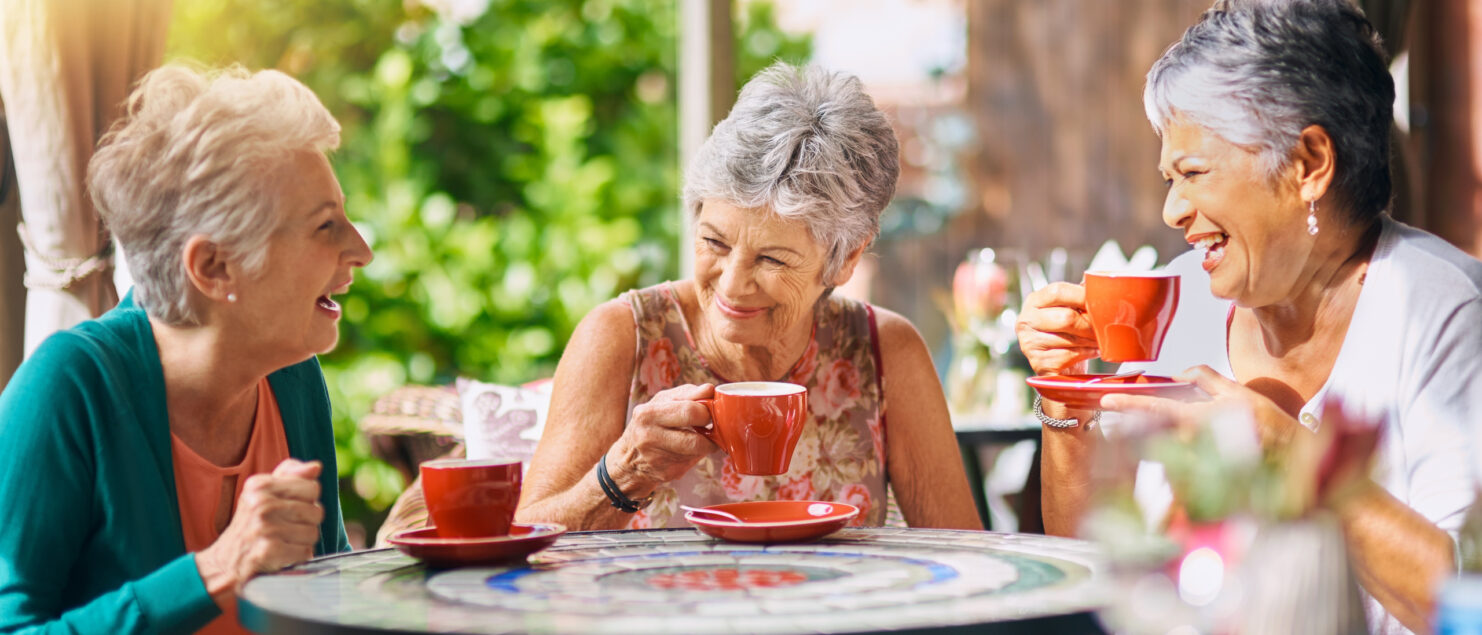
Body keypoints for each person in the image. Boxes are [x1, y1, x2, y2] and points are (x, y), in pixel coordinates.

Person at [1016, 1, 1482, 632]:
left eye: (1194, 173)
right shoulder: (1176, 299)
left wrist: (1288, 451)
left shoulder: (1440, 309)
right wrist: (1068, 404)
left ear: (1309, 164)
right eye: (1168, 179)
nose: (1172, 211)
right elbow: (1095, 567)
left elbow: (1463, 600)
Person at [516, 62, 981, 531]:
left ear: (845, 260)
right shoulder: (621, 335)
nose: (733, 284)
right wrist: (625, 472)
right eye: (714, 243)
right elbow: (525, 543)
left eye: (772, 260)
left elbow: (968, 561)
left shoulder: (887, 352)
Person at [0, 65, 373, 634]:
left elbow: (325, 592)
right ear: (214, 266)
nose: (361, 249)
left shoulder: (292, 375)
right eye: (326, 226)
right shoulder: (66, 388)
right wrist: (216, 568)